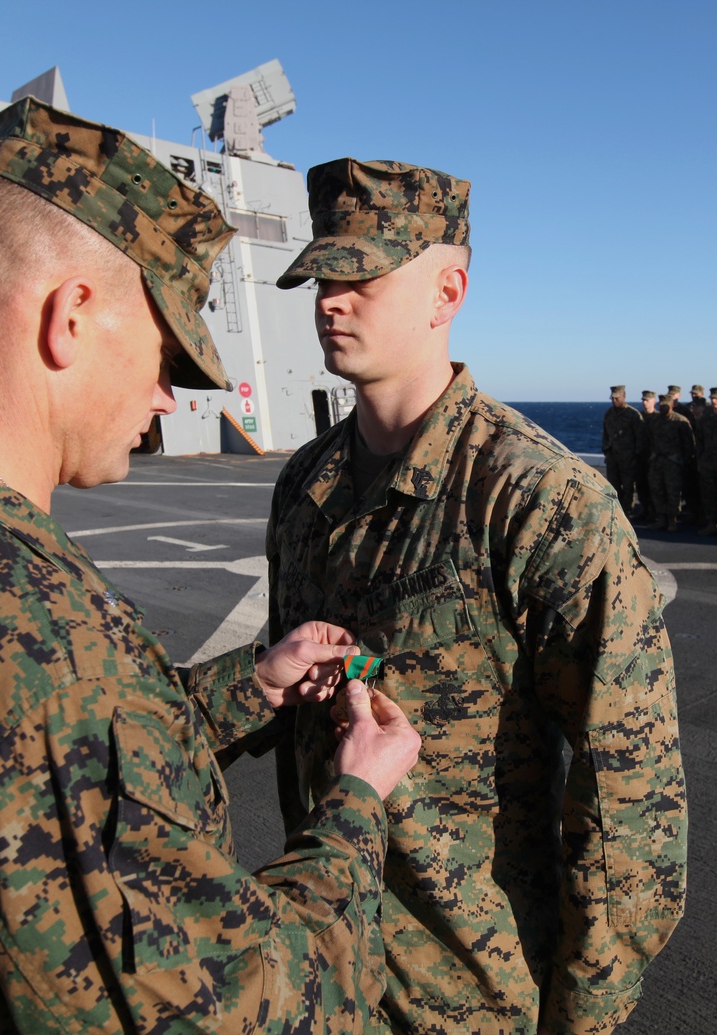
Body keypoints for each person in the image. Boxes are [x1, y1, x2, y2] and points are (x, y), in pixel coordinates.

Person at [0, 104, 423, 1034]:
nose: (162, 397)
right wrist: (356, 803)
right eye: (164, 354)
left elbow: (0, 788)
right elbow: (242, 1007)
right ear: (70, 316)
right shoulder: (40, 644)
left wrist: (247, 688)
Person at [266, 158, 687, 1034]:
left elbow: (629, 800)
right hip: (316, 974)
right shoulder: (306, 485)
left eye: (362, 276)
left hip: (472, 996)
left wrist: (586, 1017)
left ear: (446, 289)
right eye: (321, 278)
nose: (329, 300)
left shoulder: (540, 500)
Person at [647, 393, 696, 532]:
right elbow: (649, 439)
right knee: (657, 490)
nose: (663, 408)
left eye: (666, 406)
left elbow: (689, 444)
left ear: (672, 405)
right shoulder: (655, 421)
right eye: (661, 405)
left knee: (673, 492)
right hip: (657, 460)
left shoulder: (680, 421)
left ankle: (672, 520)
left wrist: (685, 461)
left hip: (673, 462)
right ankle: (661, 518)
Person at [601, 384, 641, 516]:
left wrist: (636, 455)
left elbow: (639, 437)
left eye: (617, 398)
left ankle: (627, 511)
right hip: (613, 456)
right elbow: (605, 434)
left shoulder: (633, 415)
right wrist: (606, 450)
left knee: (628, 486)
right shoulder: (609, 414)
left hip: (628, 457)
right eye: (612, 398)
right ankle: (616, 511)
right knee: (613, 485)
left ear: (623, 396)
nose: (614, 401)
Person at [694, 389, 717, 535]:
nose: (714, 401)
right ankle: (712, 523)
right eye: (712, 398)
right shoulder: (705, 419)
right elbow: (699, 441)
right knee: (709, 494)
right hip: (709, 463)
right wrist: (701, 460)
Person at [634, 389, 658, 523]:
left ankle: (655, 512)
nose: (645, 403)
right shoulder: (638, 417)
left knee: (654, 487)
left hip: (654, 458)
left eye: (647, 400)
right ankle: (644, 510)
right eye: (643, 400)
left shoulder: (658, 418)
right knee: (641, 485)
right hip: (641, 457)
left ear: (653, 401)